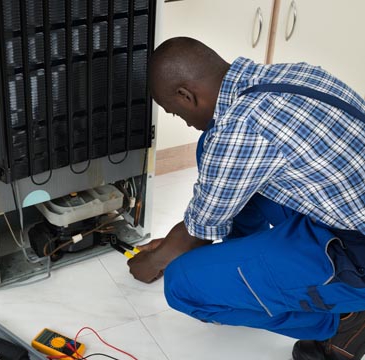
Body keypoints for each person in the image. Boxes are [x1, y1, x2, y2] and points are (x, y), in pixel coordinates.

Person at [127, 37, 365, 360]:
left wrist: (153, 262)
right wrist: (176, 241)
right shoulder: (289, 74)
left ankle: (344, 317)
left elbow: (196, 233)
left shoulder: (242, 126)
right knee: (208, 146)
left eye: (175, 112)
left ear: (186, 95)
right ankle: (248, 263)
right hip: (343, 214)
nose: (181, 120)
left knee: (181, 283)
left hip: (355, 251)